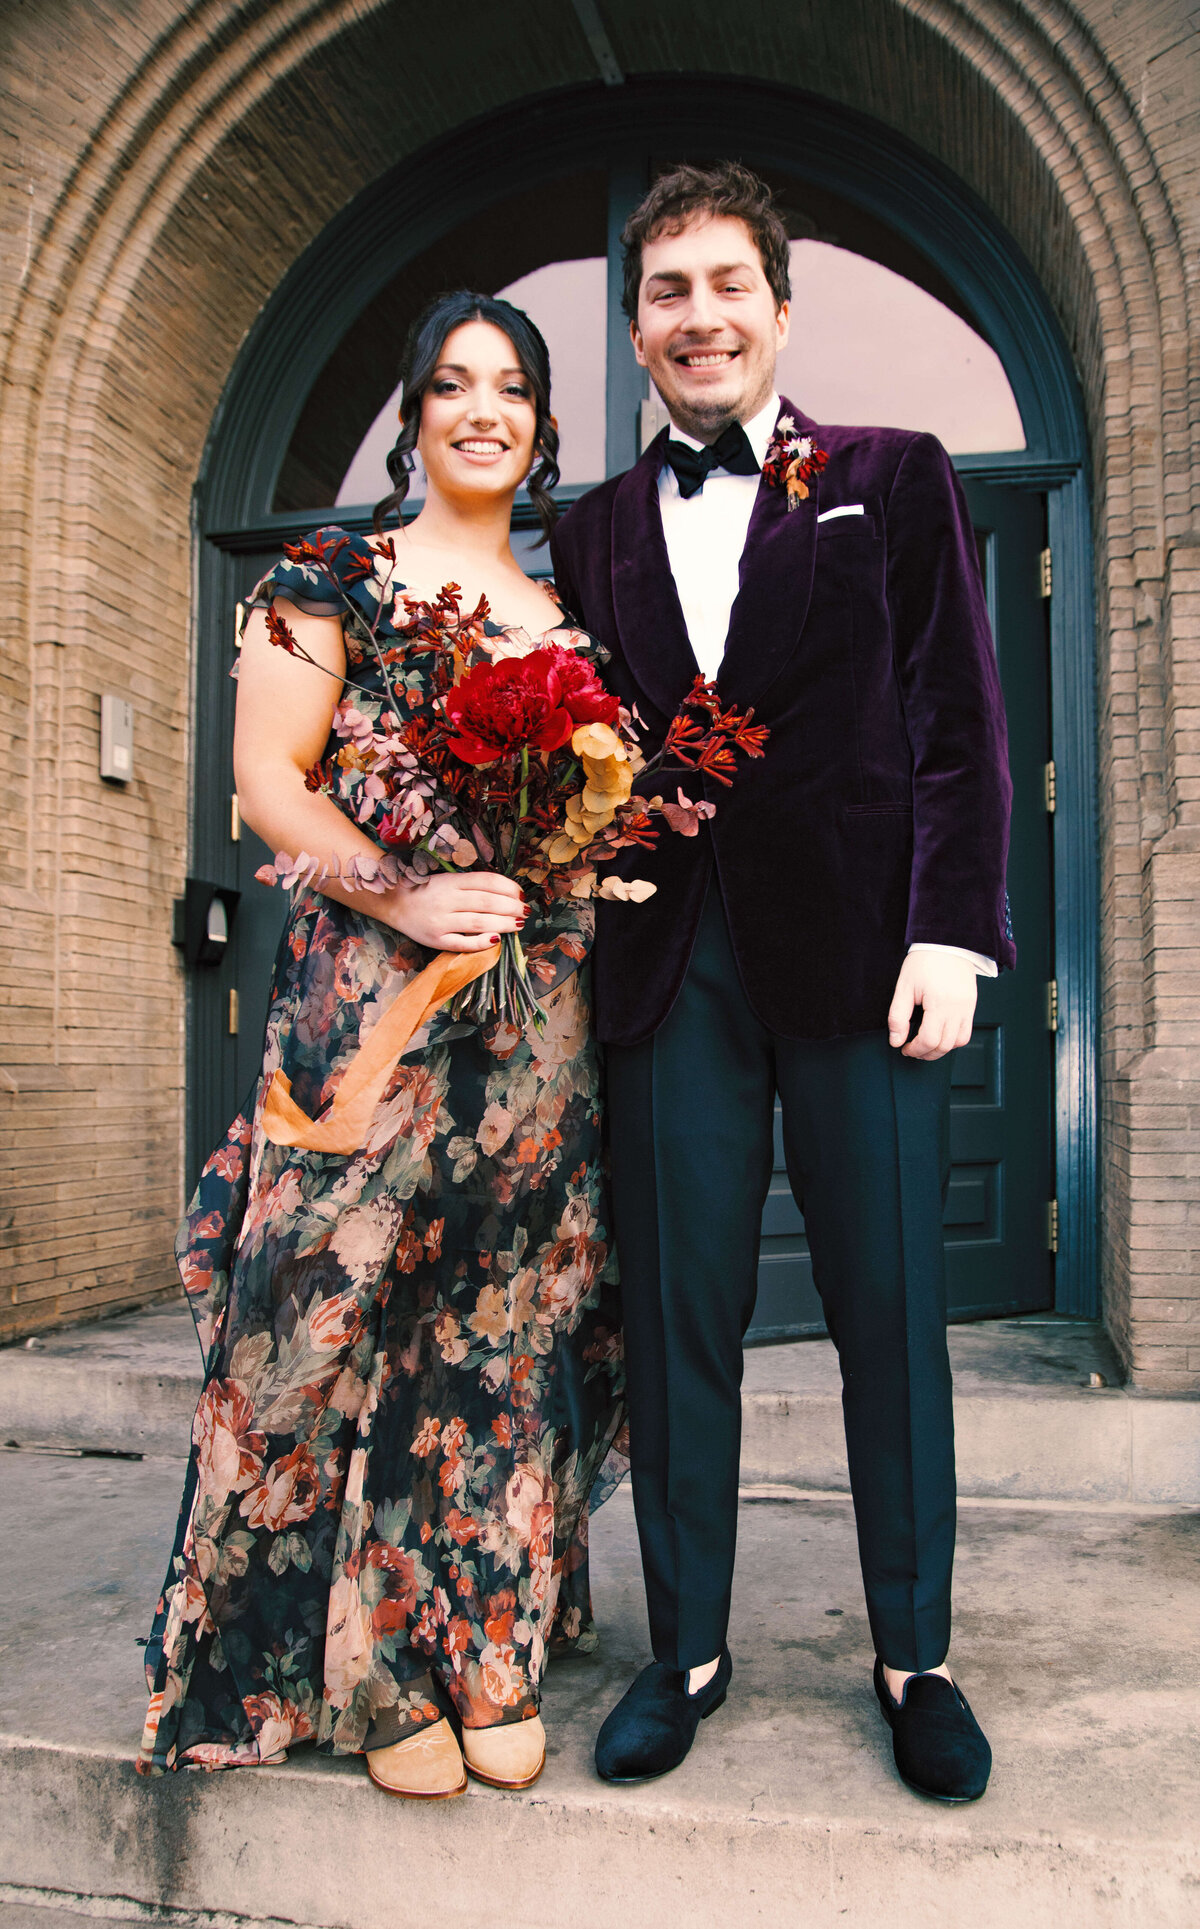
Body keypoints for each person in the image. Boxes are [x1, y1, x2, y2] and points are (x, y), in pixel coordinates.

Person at [549, 162, 1013, 1803]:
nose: (699, 316)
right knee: (682, 1322)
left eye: (726, 283)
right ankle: (683, 1652)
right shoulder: (585, 528)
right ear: (637, 323)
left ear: (780, 306)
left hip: (866, 963)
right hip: (671, 976)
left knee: (890, 1315)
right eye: (667, 290)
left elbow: (959, 719)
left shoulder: (888, 478)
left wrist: (955, 932)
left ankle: (915, 1656)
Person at [137, 292, 624, 1800]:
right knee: (333, 1311)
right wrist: (407, 888)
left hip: (533, 1024)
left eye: (516, 389)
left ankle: (480, 1634)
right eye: (455, 384)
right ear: (411, 413)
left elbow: (583, 814)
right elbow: (268, 782)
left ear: (541, 427)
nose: (486, 410)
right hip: (371, 1006)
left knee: (494, 1326)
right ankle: (360, 1665)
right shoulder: (318, 580)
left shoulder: (565, 614)